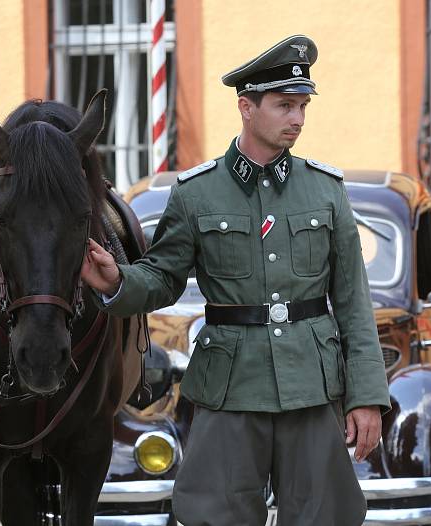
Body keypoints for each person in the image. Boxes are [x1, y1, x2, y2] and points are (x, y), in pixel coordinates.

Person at [81, 35, 390, 526]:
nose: (297, 119)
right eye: (284, 105)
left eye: (303, 106)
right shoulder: (196, 193)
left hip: (311, 384)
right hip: (229, 387)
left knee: (323, 517)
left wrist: (368, 397)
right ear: (247, 107)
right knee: (216, 516)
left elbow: (353, 302)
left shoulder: (326, 191)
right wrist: (117, 281)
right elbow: (161, 278)